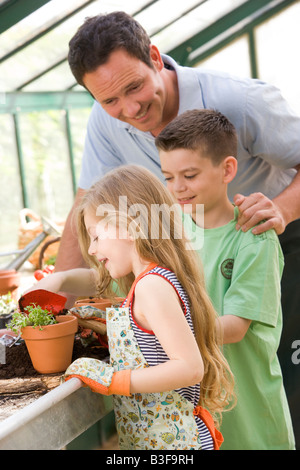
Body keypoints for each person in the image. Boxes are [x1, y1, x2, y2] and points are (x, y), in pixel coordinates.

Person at [55, 11, 300, 446]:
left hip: (271, 234)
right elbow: (86, 206)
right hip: (196, 243)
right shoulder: (105, 120)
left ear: (154, 57)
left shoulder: (239, 100)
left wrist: (277, 211)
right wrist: (57, 302)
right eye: (110, 100)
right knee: (225, 384)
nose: (128, 109)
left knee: (272, 370)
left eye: (134, 87)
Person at [26, 165, 235, 450]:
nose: (91, 250)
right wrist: (60, 279)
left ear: (129, 226)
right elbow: (96, 282)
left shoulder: (152, 286)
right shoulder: (144, 282)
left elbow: (189, 368)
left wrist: (114, 379)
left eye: (96, 236)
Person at [155, 108, 295, 450]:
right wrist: (62, 281)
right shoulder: (171, 234)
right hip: (197, 417)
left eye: (189, 175)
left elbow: (234, 328)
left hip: (251, 418)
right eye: (168, 177)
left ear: (227, 169)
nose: (178, 188)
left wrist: (162, 330)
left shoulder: (254, 237)